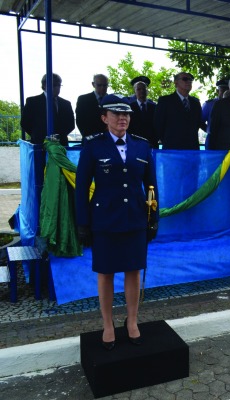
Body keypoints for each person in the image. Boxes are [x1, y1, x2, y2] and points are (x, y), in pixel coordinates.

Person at [75, 95, 158, 350]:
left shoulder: (142, 146)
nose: (123, 119)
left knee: (133, 271)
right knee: (106, 273)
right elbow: (81, 188)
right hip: (105, 220)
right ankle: (108, 324)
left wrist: (153, 218)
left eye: (127, 115)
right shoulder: (93, 146)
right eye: (116, 114)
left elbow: (151, 186)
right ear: (104, 118)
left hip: (134, 218)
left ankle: (132, 321)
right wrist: (83, 223)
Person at [21, 73, 75, 146]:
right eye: (54, 85)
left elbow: (71, 124)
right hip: (39, 144)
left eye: (59, 85)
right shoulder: (33, 102)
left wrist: (58, 137)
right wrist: (38, 135)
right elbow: (25, 123)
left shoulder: (66, 103)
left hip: (60, 145)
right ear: (44, 85)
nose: (57, 88)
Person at [154, 72, 203, 150]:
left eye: (190, 80)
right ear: (176, 83)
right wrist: (168, 142)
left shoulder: (195, 102)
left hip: (192, 150)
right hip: (172, 150)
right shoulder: (165, 101)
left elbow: (199, 123)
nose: (189, 81)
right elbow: (158, 125)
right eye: (185, 79)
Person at [76, 74, 110, 140]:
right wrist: (86, 135)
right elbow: (79, 120)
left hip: (108, 139)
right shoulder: (83, 99)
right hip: (89, 138)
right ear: (93, 84)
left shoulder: (112, 100)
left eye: (105, 85)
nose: (102, 88)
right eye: (99, 85)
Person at [128, 79, 159, 148]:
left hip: (152, 144)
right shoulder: (130, 107)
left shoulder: (154, 107)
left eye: (143, 89)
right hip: (135, 144)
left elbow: (157, 125)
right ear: (135, 92)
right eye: (139, 89)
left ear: (147, 91)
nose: (141, 91)